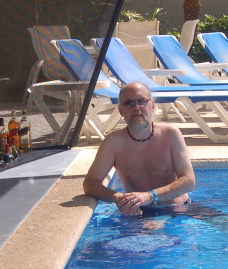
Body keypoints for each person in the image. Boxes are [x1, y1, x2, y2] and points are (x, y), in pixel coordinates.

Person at [83, 82, 196, 215]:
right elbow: (90, 184)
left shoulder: (171, 134)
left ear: (152, 106)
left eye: (142, 101)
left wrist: (149, 196)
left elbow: (189, 182)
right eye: (129, 103)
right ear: (121, 110)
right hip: (139, 214)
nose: (136, 107)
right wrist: (118, 197)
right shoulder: (113, 143)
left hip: (180, 209)